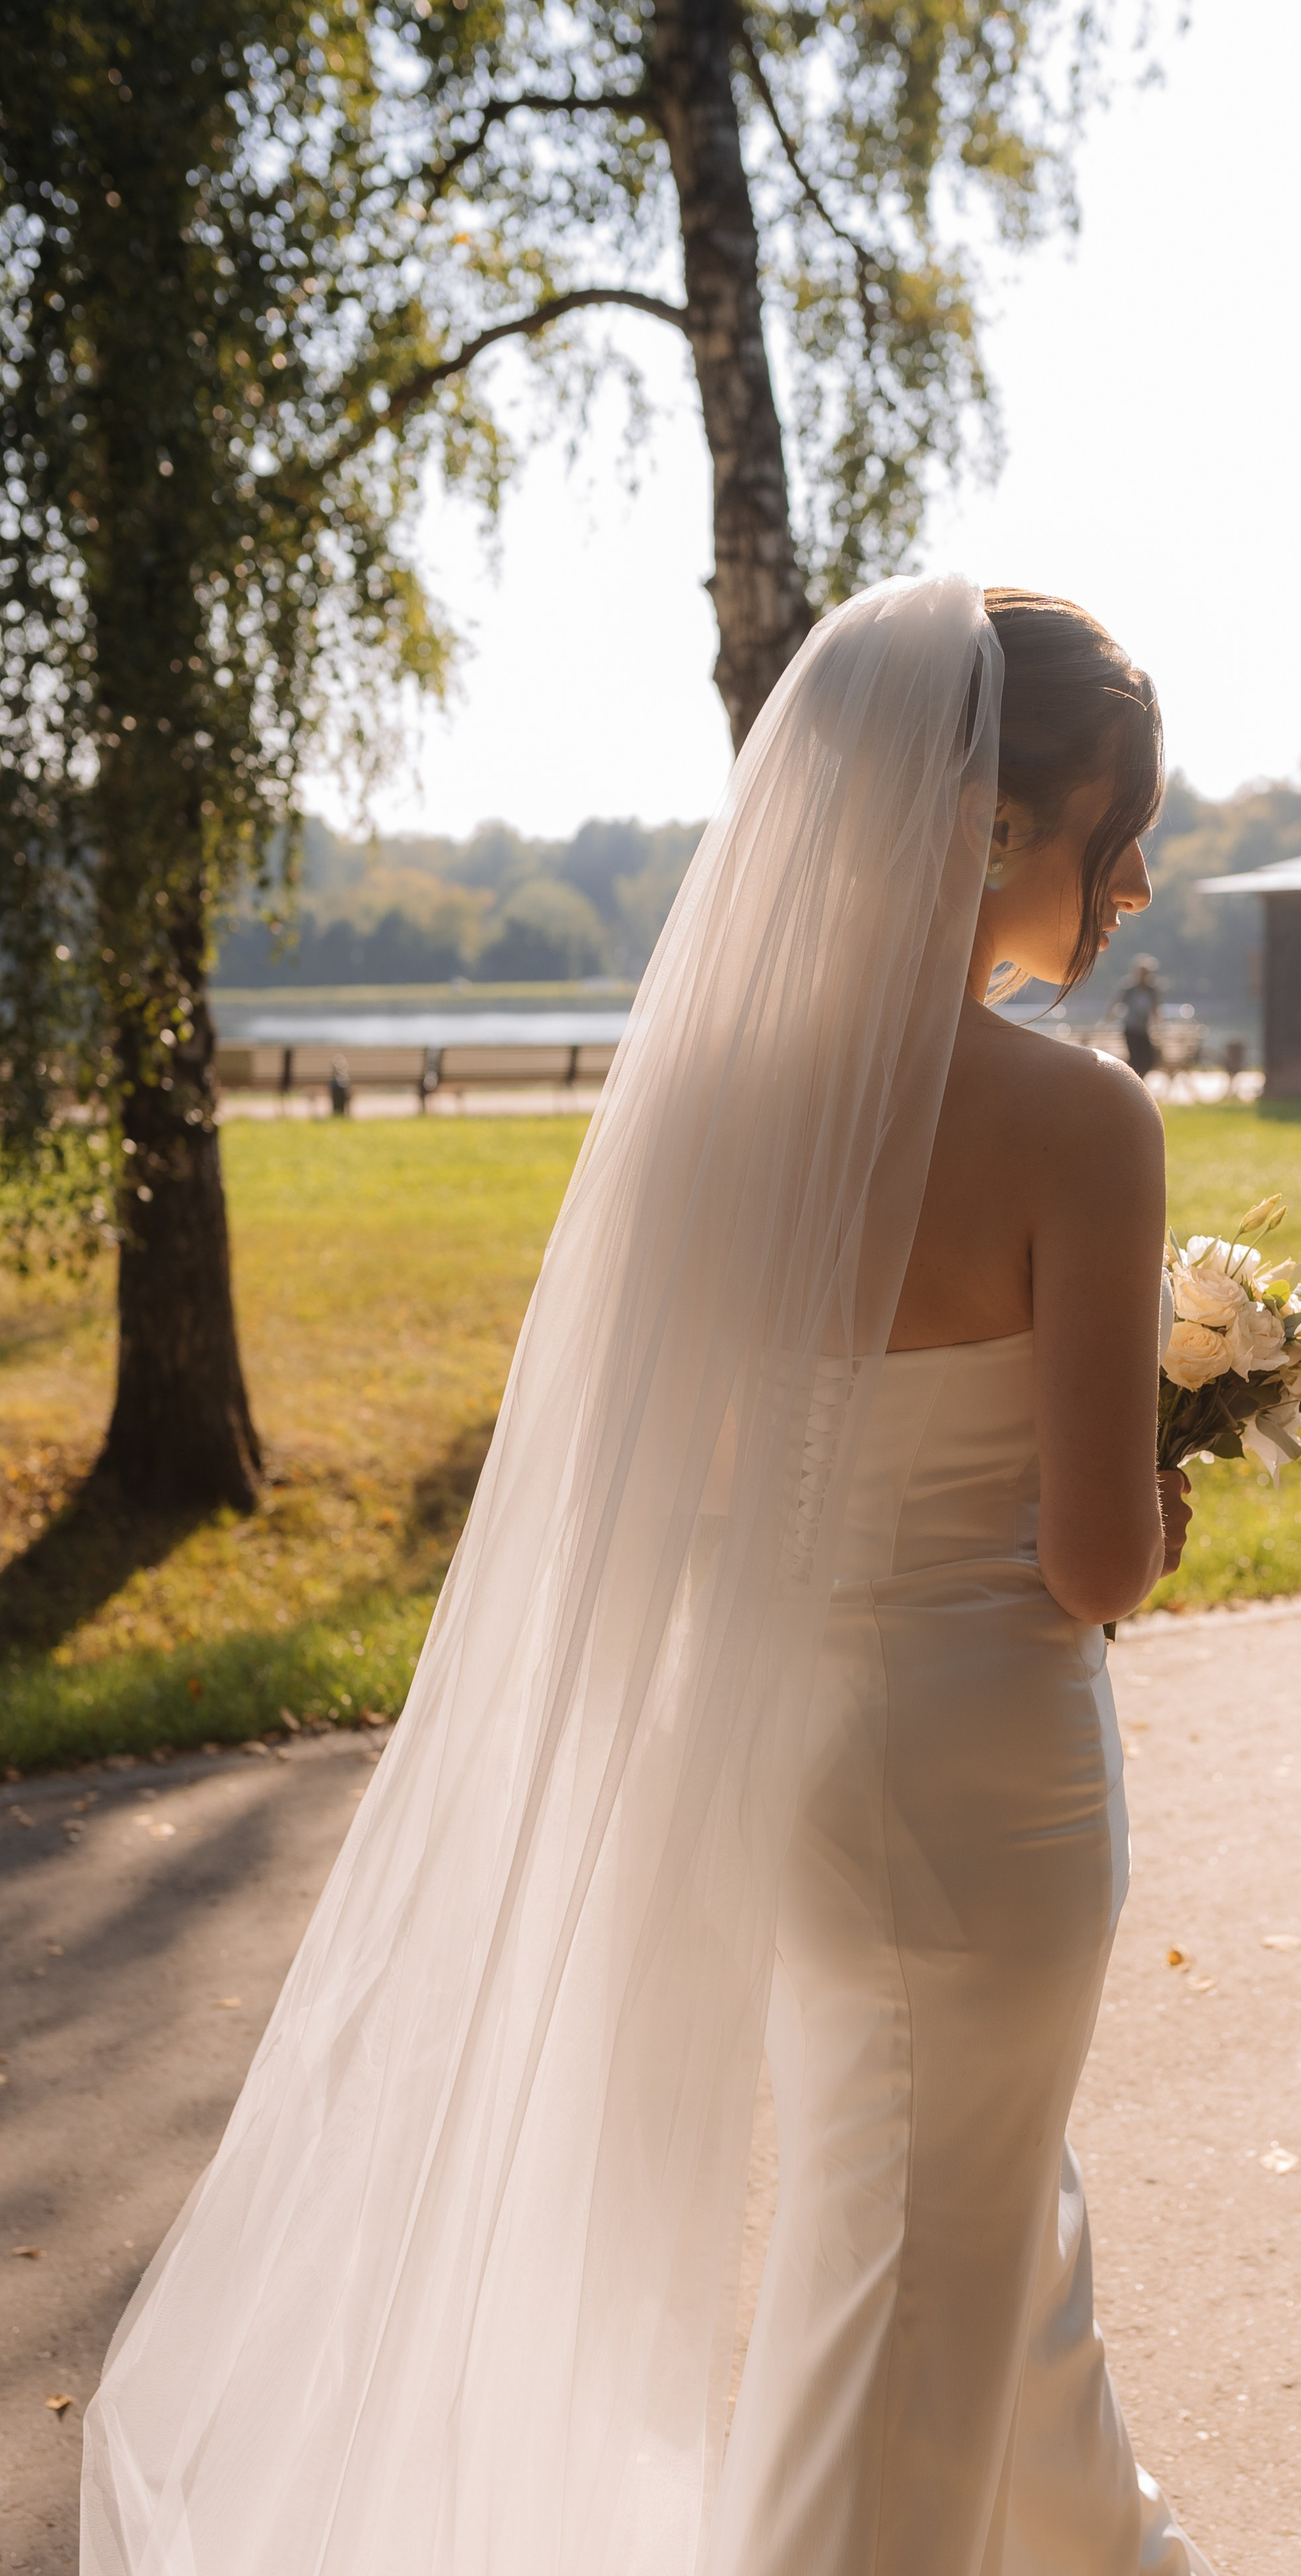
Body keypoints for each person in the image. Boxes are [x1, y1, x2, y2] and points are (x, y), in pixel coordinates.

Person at [83, 578, 1207, 2576]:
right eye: (1113, 835)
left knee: (975, 2230)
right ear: (990, 827)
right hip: (990, 1788)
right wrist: (1173, 1478)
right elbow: (1096, 1561)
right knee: (912, 2292)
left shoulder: (710, 1108)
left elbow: (683, 1494)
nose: (1132, 886)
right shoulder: (1081, 1125)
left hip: (785, 1770)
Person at [1113, 951, 1163, 1079]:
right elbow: (1116, 1004)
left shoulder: (1152, 990)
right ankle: (1135, 1082)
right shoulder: (1130, 988)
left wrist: (1159, 1028)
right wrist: (1108, 1020)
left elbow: (1155, 1010)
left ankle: (1139, 1081)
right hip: (1131, 1029)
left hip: (1144, 1030)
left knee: (1148, 1059)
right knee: (1135, 1059)